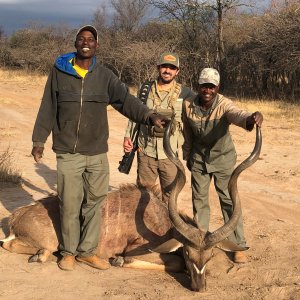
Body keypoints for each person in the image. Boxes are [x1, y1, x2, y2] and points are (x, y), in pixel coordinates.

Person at [31, 25, 167, 271]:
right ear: (75, 43)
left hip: (96, 153)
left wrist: (149, 116)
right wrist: (39, 140)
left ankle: (87, 252)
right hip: (68, 152)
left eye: (91, 39)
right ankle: (69, 252)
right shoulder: (59, 72)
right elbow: (48, 106)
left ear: (96, 45)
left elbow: (126, 101)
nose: (86, 42)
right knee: (70, 203)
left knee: (95, 203)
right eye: (81, 38)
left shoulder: (104, 75)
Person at [182, 68, 263, 263]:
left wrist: (251, 119)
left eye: (211, 86)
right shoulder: (188, 104)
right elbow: (187, 133)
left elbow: (238, 114)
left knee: (228, 200)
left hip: (223, 159)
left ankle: (238, 245)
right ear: (198, 86)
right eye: (204, 86)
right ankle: (201, 241)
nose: (207, 90)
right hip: (199, 159)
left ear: (217, 87)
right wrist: (187, 156)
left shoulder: (224, 104)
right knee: (199, 201)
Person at [123, 52, 194, 204]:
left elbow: (196, 117)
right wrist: (128, 136)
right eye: (164, 67)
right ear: (158, 68)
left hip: (170, 155)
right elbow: (135, 113)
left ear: (177, 71)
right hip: (146, 152)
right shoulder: (144, 88)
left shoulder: (186, 93)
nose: (167, 71)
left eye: (172, 68)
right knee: (143, 197)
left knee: (170, 199)